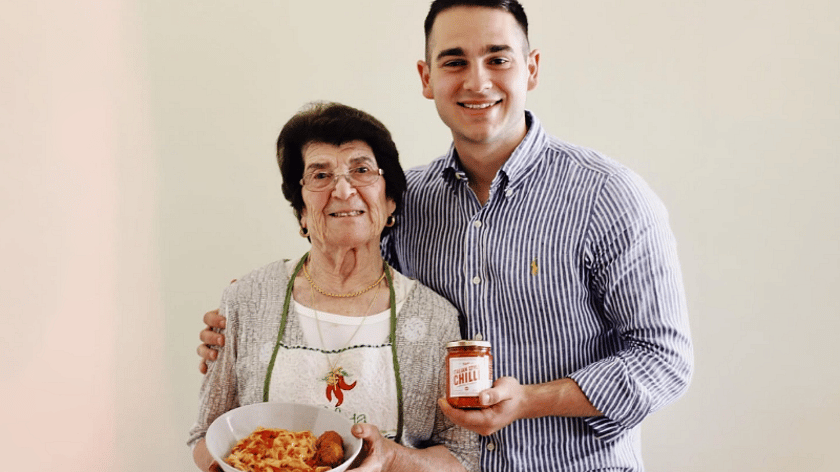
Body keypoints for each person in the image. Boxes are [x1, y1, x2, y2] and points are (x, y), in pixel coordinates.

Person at [198, 1, 693, 470]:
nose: (478, 81)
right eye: (455, 61)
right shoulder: (408, 202)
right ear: (426, 77)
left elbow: (663, 359)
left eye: (498, 58)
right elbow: (347, 278)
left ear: (532, 68)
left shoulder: (608, 196)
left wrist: (531, 401)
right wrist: (244, 324)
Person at [188, 102, 478, 472]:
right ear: (302, 210)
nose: (343, 190)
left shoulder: (435, 318)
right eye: (320, 176)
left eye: (361, 170)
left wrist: (393, 458)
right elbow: (206, 434)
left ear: (390, 201)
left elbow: (463, 456)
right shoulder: (247, 300)